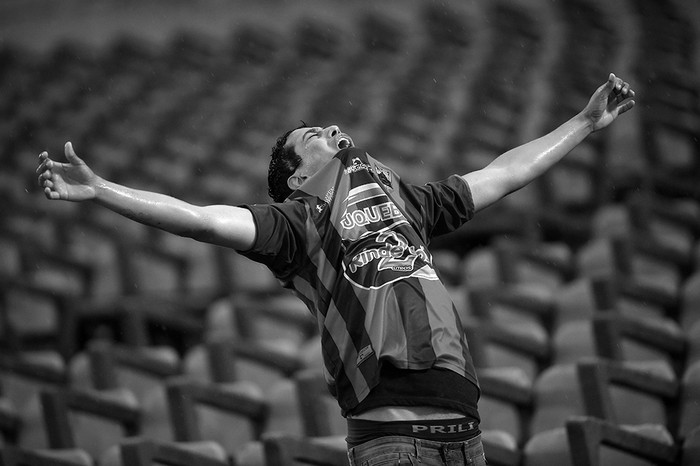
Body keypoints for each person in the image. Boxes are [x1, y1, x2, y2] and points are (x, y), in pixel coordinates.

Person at [37, 73, 635, 465]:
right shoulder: (295, 224)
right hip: (392, 441)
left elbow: (503, 174)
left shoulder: (409, 202)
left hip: (466, 432)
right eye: (312, 137)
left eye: (326, 127)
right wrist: (103, 190)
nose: (329, 130)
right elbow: (200, 219)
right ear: (298, 176)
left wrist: (583, 123)